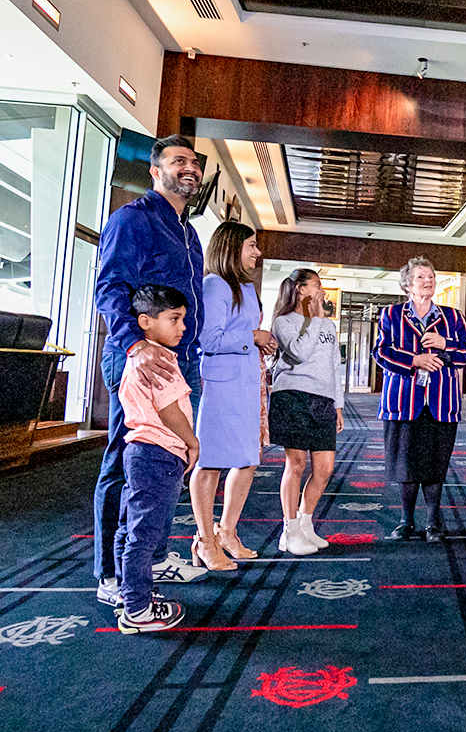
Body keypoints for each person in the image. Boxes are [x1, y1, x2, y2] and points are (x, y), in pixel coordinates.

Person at [92, 134, 208, 606]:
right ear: (155, 171)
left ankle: (153, 557)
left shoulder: (188, 232)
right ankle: (112, 574)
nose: (192, 169)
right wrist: (135, 343)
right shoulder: (134, 220)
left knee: (166, 466)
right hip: (140, 358)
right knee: (127, 467)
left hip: (182, 361)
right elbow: (110, 287)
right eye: (180, 161)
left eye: (196, 163)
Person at [113, 284, 199, 633]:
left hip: (141, 450)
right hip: (159, 451)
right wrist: (192, 442)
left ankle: (128, 592)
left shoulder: (142, 354)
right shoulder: (158, 359)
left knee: (131, 528)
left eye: (183, 319)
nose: (182, 327)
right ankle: (137, 610)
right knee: (145, 534)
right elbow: (168, 410)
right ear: (145, 321)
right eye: (174, 319)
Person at [189, 220, 274, 569]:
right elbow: (207, 341)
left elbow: (246, 332)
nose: (257, 252)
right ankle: (205, 541)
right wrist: (251, 338)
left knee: (248, 459)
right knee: (210, 463)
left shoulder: (245, 288)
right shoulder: (214, 286)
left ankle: (227, 531)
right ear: (231, 247)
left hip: (249, 383)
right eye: (251, 245)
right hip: (223, 387)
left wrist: (259, 343)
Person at [374, 257, 466, 542]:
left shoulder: (453, 317)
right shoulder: (391, 315)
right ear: (408, 285)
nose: (428, 280)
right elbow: (381, 353)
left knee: (435, 464)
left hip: (442, 402)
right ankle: (406, 521)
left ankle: (433, 522)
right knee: (405, 463)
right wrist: (415, 360)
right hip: (403, 401)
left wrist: (446, 346)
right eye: (421, 277)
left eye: (431, 276)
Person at [269, 267, 344, 555]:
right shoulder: (283, 321)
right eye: (317, 285)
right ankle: (289, 530)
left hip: (323, 400)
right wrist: (314, 319)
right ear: (301, 289)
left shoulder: (328, 326)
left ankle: (305, 523)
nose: (322, 290)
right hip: (293, 396)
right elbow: (299, 352)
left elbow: (334, 367)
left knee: (324, 469)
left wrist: (338, 404)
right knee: (297, 464)